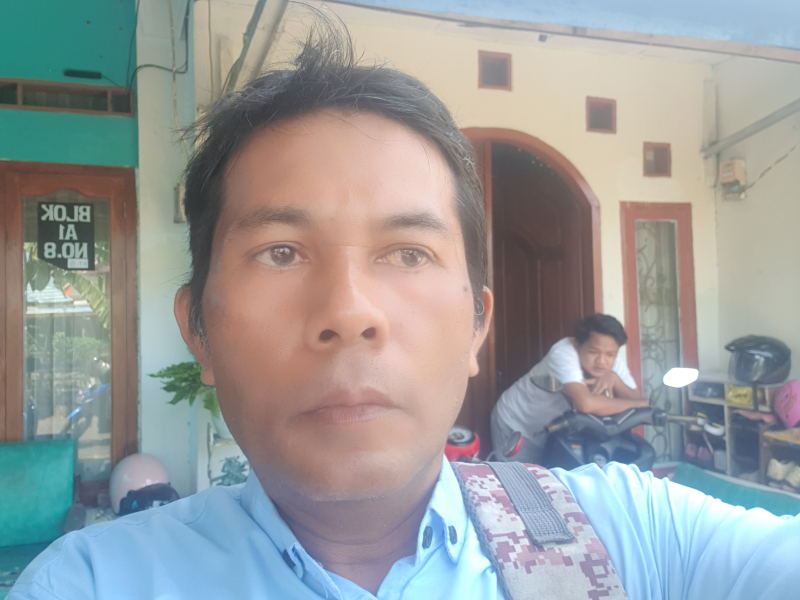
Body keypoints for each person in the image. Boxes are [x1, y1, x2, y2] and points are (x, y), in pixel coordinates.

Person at [10, 18, 800, 600]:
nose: (351, 312)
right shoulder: (93, 584)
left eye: (409, 253)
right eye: (280, 251)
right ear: (200, 330)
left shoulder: (639, 539)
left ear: (478, 325)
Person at [491, 314, 648, 464]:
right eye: (593, 352)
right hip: (517, 424)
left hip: (553, 432)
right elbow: (586, 404)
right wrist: (636, 404)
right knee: (520, 479)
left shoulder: (610, 357)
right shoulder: (563, 353)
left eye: (610, 354)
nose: (602, 361)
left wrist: (615, 380)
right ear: (577, 345)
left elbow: (636, 398)